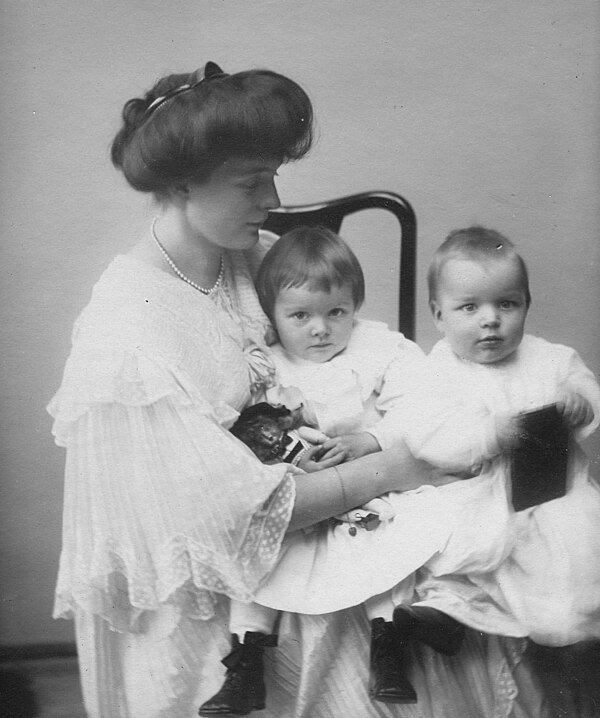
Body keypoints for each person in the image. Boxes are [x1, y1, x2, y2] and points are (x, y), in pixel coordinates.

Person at [48, 63, 546, 718]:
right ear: (180, 183)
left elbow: (354, 353)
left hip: (309, 514)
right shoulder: (127, 339)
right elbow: (233, 521)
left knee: (480, 543)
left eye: (275, 174)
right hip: (209, 594)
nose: (274, 199)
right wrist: (394, 465)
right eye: (253, 181)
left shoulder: (246, 256)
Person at [201, 226, 523, 713]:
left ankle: (387, 645)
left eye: (337, 312)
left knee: (389, 546)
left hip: (373, 481)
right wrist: (289, 456)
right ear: (273, 315)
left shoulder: (379, 350)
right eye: (300, 316)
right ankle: (246, 661)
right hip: (304, 490)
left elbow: (420, 410)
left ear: (356, 306)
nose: (320, 329)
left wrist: (370, 439)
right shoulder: (266, 365)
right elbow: (249, 429)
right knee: (258, 556)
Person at [398, 226, 600, 648]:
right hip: (480, 492)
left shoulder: (550, 358)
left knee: (574, 550)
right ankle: (455, 610)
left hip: (553, 492)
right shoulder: (437, 369)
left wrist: (580, 404)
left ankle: (572, 630)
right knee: (457, 545)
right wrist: (489, 433)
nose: (490, 319)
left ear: (527, 305)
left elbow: (588, 396)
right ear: (439, 315)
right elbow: (425, 433)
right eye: (469, 307)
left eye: (506, 304)